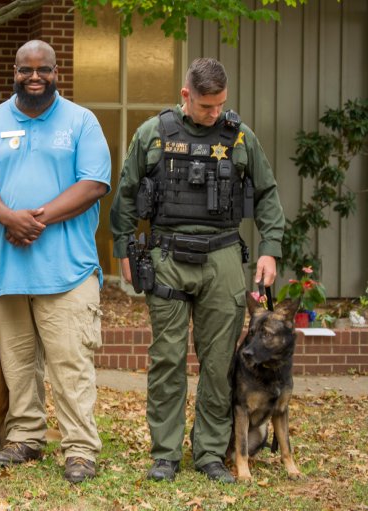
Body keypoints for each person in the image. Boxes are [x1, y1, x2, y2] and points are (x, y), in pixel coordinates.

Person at [110, 57, 285, 483]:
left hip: (223, 257)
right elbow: (127, 193)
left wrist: (270, 248)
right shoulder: (153, 133)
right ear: (186, 94)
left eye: (221, 104)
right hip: (167, 256)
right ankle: (165, 454)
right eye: (206, 106)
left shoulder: (240, 136)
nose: (215, 113)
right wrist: (123, 251)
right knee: (167, 360)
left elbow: (267, 192)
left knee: (220, 361)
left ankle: (209, 452)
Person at [0, 40, 111, 483]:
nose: (34, 76)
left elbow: (95, 182)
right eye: (25, 69)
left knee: (71, 364)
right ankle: (25, 436)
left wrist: (36, 219)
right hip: (7, 271)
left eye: (42, 69)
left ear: (55, 71)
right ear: (14, 70)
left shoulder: (81, 122)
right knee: (16, 362)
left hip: (66, 270)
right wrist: (9, 217)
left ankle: (80, 449)